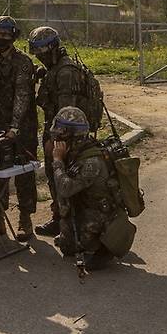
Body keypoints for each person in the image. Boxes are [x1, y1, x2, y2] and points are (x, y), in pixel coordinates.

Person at [29, 26, 101, 238]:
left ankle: (67, 223)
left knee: (62, 176)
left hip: (66, 137)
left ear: (52, 48)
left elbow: (66, 114)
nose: (39, 57)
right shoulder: (56, 68)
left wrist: (56, 141)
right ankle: (62, 217)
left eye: (42, 53)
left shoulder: (65, 73)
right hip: (62, 132)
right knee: (57, 178)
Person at [51, 106, 134, 271]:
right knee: (67, 248)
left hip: (101, 213)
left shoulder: (91, 162)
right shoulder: (78, 151)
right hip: (88, 206)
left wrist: (57, 160)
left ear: (72, 135)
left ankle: (105, 246)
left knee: (80, 244)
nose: (57, 138)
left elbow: (65, 189)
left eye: (61, 134)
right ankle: (87, 238)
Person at [0, 16, 38, 242]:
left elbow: (22, 97)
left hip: (24, 125)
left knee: (24, 171)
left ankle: (25, 219)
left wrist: (15, 128)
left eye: (5, 35)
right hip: (1, 122)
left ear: (13, 36)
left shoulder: (23, 62)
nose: (0, 39)